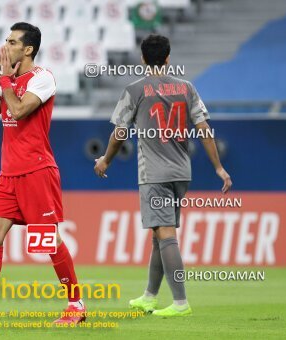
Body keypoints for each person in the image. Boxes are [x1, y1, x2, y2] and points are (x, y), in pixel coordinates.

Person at [0, 22, 85, 325]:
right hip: (8, 174)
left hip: (36, 171)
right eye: (5, 40)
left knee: (47, 240)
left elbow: (20, 110)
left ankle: (76, 304)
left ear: (28, 49)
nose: (5, 46)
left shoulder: (42, 78)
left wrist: (7, 82)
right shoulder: (9, 81)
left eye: (12, 41)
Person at [94, 34, 232, 317]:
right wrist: (218, 167)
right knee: (159, 235)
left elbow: (120, 132)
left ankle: (181, 302)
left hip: (154, 174)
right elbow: (204, 129)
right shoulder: (186, 88)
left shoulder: (135, 90)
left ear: (142, 59)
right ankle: (149, 296)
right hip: (182, 172)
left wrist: (106, 160)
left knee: (165, 234)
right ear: (168, 58)